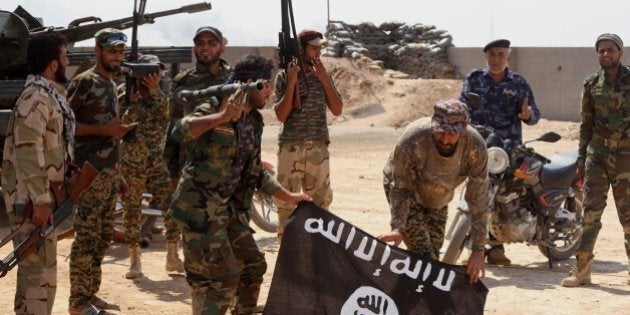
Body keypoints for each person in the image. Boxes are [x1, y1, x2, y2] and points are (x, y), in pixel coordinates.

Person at [168, 55, 312, 314]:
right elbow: (179, 131)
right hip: (200, 211)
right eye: (266, 85)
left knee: (253, 266)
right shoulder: (217, 104)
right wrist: (222, 116)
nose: (269, 92)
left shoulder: (254, 121)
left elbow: (255, 173)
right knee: (226, 275)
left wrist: (289, 196)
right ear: (250, 83)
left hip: (229, 212)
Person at [1, 33, 74, 315]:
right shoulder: (36, 98)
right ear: (54, 64)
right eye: (65, 56)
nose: (68, 61)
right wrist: (42, 200)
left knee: (35, 276)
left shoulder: (45, 95)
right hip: (33, 202)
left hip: (37, 199)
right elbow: (28, 150)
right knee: (39, 280)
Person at [378, 99, 488, 284]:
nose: (445, 139)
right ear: (433, 125)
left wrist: (478, 249)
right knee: (425, 257)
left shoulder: (475, 146)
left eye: (452, 134)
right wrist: (399, 227)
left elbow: (478, 198)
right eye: (440, 132)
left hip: (439, 195)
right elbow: (401, 189)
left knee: (432, 260)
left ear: (464, 129)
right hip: (408, 192)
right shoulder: (413, 139)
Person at [66, 28, 135, 314]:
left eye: (121, 51)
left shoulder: (110, 84)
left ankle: (90, 294)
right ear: (97, 51)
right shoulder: (85, 82)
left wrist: (116, 174)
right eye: (111, 51)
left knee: (103, 236)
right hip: (88, 175)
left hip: (107, 174)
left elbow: (110, 136)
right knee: (86, 238)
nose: (117, 56)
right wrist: (102, 130)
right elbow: (64, 125)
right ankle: (78, 302)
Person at [459, 38, 541, 266]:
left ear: (508, 57)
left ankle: (496, 249)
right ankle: (469, 245)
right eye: (492, 54)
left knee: (501, 196)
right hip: (478, 144)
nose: (496, 59)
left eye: (501, 54)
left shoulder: (518, 83)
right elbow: (462, 106)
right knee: (475, 194)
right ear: (486, 56)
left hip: (508, 148)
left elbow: (534, 114)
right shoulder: (475, 78)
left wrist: (527, 115)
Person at [561, 33, 630, 287]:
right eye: (601, 50)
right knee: (590, 214)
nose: (605, 54)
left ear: (620, 52)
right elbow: (585, 126)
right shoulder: (591, 84)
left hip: (626, 157)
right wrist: (581, 161)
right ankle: (582, 269)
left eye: (610, 50)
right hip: (598, 155)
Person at [117, 54, 184, 279]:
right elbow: (122, 125)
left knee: (171, 207)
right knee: (132, 211)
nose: (151, 77)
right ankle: (135, 260)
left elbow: (168, 117)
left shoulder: (162, 96)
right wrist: (135, 102)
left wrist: (153, 92)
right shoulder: (123, 94)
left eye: (155, 74)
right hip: (132, 162)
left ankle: (172, 255)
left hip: (158, 160)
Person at [273, 28, 343, 239]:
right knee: (286, 204)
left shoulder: (323, 75)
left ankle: (317, 256)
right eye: (313, 48)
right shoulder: (284, 76)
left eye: (320, 48)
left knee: (320, 205)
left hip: (318, 147)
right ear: (301, 50)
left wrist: (325, 80)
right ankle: (288, 254)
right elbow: (281, 115)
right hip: (291, 146)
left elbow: (338, 109)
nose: (318, 53)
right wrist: (292, 81)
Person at [164, 26, 232, 189]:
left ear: (221, 48)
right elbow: (173, 126)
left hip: (228, 165)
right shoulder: (183, 81)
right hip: (192, 166)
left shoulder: (233, 78)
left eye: (211, 43)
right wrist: (173, 173)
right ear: (195, 47)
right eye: (200, 43)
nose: (205, 48)